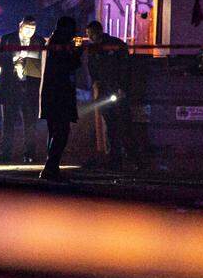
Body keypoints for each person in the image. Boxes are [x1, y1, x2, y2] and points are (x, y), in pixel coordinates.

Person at [85, 20, 140, 170]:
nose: (89, 37)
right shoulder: (95, 48)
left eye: (90, 34)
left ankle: (133, 158)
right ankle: (116, 159)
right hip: (105, 92)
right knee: (111, 126)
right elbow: (93, 69)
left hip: (117, 91)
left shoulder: (115, 45)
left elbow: (125, 68)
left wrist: (122, 87)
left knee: (124, 126)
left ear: (97, 32)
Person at [0, 16, 45, 163]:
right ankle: (6, 153)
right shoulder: (7, 39)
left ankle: (29, 154)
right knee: (8, 123)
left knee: (30, 123)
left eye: (33, 29)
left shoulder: (39, 41)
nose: (30, 31)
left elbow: (42, 64)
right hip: (10, 87)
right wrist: (14, 61)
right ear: (20, 26)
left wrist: (27, 63)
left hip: (29, 88)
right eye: (27, 28)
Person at [39, 16, 83, 180]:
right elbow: (68, 65)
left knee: (54, 131)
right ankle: (50, 167)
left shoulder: (52, 41)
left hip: (52, 95)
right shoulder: (59, 44)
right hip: (59, 95)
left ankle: (51, 167)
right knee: (61, 131)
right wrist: (77, 53)